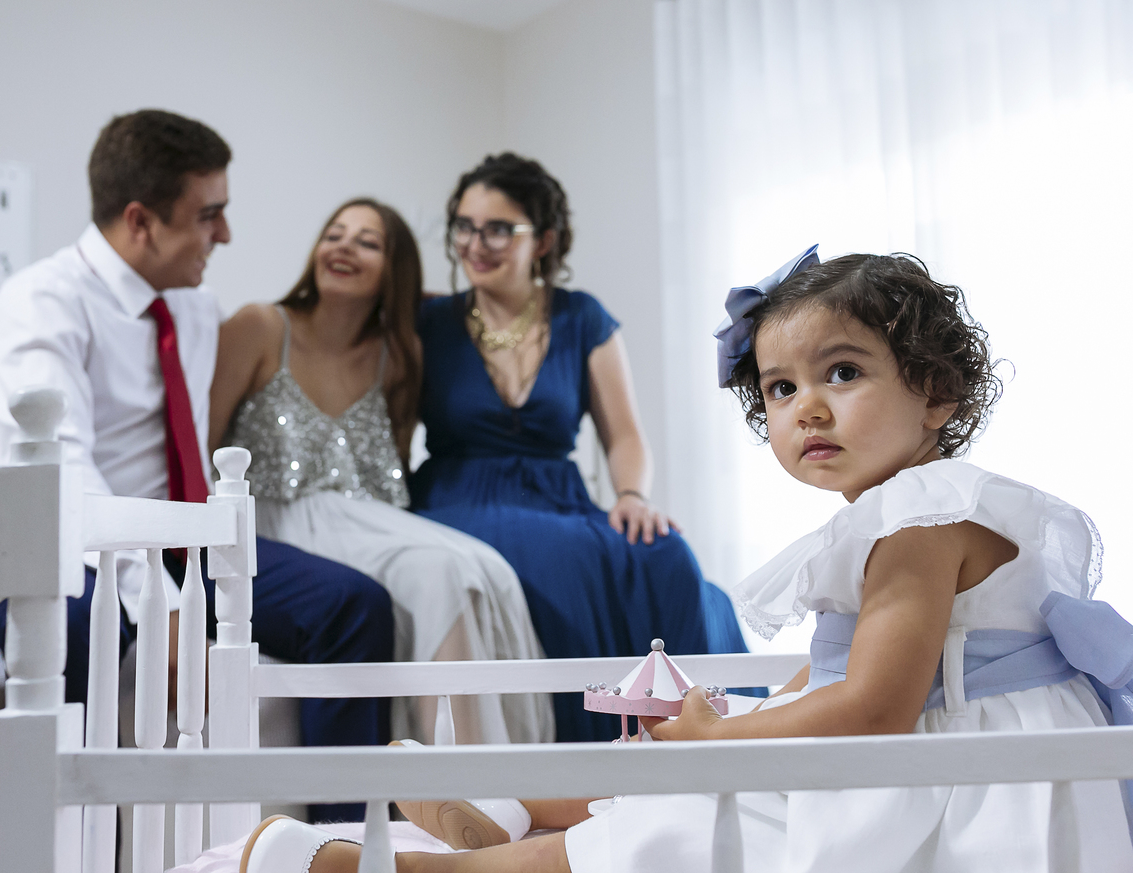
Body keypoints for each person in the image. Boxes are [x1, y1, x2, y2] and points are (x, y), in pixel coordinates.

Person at [241, 249, 1133, 871]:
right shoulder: (903, 515)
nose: (807, 407)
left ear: (937, 392)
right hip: (936, 741)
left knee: (686, 817)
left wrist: (721, 738)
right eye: (781, 387)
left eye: (843, 372)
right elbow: (849, 669)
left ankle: (429, 865)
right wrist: (747, 712)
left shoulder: (920, 520)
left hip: (961, 781)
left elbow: (876, 705)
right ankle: (511, 805)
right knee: (690, 760)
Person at [0, 109, 393, 823]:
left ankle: (341, 844)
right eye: (208, 215)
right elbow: (64, 479)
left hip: (178, 536)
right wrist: (161, 607)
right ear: (141, 221)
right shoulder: (41, 303)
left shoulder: (195, 308)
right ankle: (66, 840)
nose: (225, 234)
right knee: (74, 625)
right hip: (55, 545)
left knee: (353, 606)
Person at [409, 153, 760, 743]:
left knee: (667, 554)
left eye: (498, 229)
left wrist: (631, 496)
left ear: (543, 240)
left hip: (560, 496)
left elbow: (624, 436)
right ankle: (588, 755)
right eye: (464, 227)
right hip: (456, 498)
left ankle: (704, 742)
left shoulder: (582, 316)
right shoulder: (428, 321)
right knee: (563, 562)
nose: (475, 243)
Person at [209, 198, 553, 746]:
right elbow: (199, 446)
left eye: (367, 242)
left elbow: (393, 466)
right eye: (334, 234)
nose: (343, 247)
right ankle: (448, 776)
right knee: (440, 570)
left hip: (365, 522)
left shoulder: (397, 356)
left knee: (483, 569)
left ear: (394, 269)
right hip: (276, 525)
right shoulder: (259, 326)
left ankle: (483, 775)